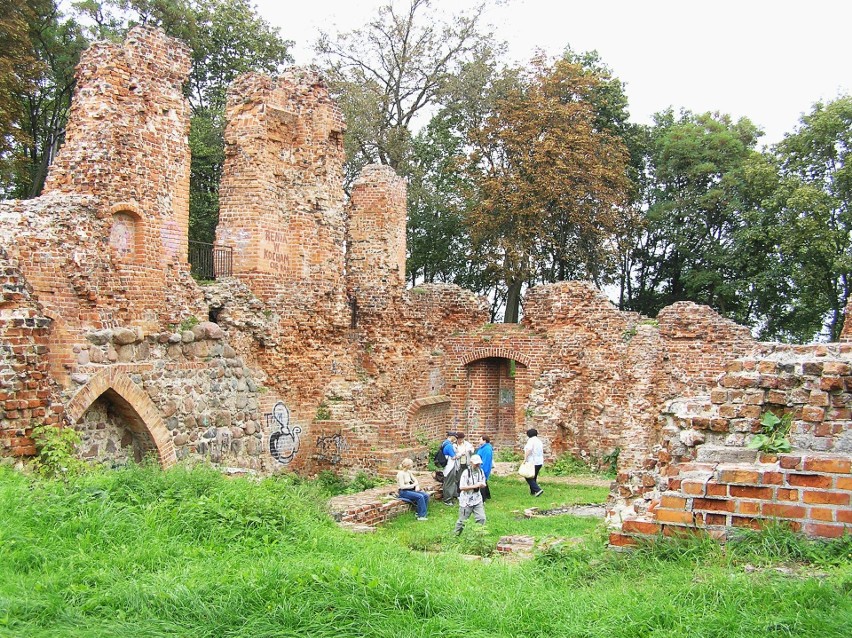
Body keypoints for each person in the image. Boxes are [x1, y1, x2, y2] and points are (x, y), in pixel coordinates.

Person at [454, 454, 487, 534]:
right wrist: (474, 486)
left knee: (481, 518)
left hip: (477, 499)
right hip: (466, 501)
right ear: (471, 463)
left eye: (479, 464)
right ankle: (455, 535)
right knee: (462, 521)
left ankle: (478, 534)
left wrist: (482, 485)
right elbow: (461, 487)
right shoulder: (466, 473)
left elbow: (483, 481)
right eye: (476, 464)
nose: (478, 465)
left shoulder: (481, 471)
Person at [523, 428, 544, 497]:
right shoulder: (539, 441)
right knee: (533, 476)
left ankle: (538, 490)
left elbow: (529, 450)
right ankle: (533, 492)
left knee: (527, 476)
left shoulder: (531, 441)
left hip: (532, 461)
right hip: (539, 461)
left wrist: (525, 459)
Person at [440, 432, 460, 505]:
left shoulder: (444, 443)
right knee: (449, 483)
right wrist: (460, 454)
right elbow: (453, 457)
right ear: (451, 437)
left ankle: (452, 496)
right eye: (455, 438)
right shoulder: (449, 445)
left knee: (448, 482)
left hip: (447, 466)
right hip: (449, 466)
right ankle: (447, 500)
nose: (455, 439)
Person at [475, 435, 494, 500]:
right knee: (484, 481)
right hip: (481, 466)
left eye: (480, 439)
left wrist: (482, 469)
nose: (479, 441)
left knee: (482, 481)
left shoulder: (487, 449)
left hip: (483, 467)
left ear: (484, 441)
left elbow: (486, 461)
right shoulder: (483, 447)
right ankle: (487, 495)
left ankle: (483, 498)